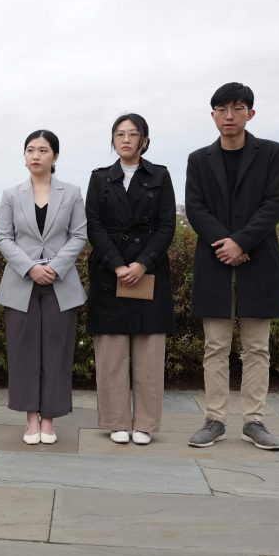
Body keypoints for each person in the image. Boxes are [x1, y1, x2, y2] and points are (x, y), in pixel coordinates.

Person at [185, 82, 279, 451]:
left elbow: (275, 204)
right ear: (212, 114)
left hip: (258, 260)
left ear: (250, 113)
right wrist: (225, 244)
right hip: (214, 262)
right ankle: (214, 419)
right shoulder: (199, 159)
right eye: (221, 109)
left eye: (237, 108)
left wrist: (242, 242)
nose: (229, 116)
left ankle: (254, 421)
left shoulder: (271, 153)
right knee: (215, 345)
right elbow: (195, 208)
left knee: (257, 347)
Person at [85, 114, 176, 445]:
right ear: (112, 141)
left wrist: (142, 263)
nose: (125, 139)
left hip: (148, 273)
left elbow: (168, 225)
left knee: (149, 354)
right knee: (111, 354)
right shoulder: (99, 178)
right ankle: (115, 421)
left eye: (132, 134)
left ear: (144, 140)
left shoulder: (161, 176)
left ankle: (146, 424)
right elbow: (93, 225)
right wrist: (117, 263)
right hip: (110, 274)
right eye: (119, 134)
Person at [0, 130, 87, 445]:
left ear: (55, 157)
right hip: (20, 283)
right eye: (30, 150)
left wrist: (54, 267)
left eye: (43, 150)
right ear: (24, 156)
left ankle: (49, 419)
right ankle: (30, 418)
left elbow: (79, 235)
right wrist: (31, 267)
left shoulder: (72, 193)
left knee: (57, 353)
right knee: (23, 352)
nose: (36, 155)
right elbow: (3, 237)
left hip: (61, 284)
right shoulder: (11, 194)